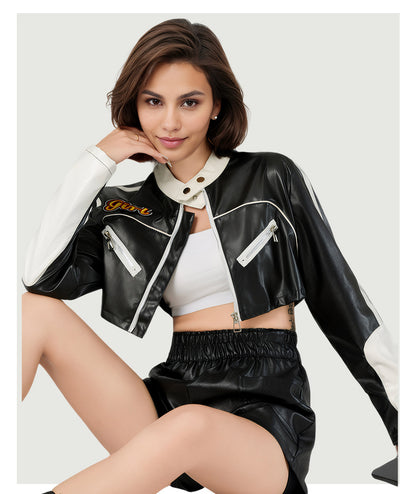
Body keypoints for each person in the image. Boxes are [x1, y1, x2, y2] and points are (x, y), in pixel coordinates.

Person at [21, 18, 398, 494]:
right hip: (171, 394)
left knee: (190, 425)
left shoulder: (272, 177)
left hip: (264, 407)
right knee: (32, 312)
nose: (170, 122)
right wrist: (97, 160)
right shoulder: (125, 209)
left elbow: (342, 300)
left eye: (189, 102)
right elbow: (40, 279)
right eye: (153, 102)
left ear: (217, 105)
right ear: (134, 106)